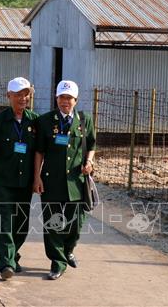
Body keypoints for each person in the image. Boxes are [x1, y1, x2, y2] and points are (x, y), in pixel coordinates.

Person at [33, 80, 96, 280]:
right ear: (56, 98)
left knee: (76, 223)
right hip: (51, 181)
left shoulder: (85, 120)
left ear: (76, 100)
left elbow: (92, 145)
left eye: (69, 98)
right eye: (61, 97)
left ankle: (68, 249)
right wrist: (37, 177)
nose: (65, 102)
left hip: (76, 182)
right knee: (53, 223)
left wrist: (89, 161)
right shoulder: (45, 121)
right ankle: (57, 262)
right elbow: (39, 152)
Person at [0, 77, 38, 280]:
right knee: (5, 220)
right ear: (9, 96)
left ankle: (13, 254)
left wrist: (37, 179)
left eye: (26, 94)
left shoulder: (34, 120)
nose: (23, 98)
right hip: (2, 180)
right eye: (18, 94)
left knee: (21, 224)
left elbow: (39, 153)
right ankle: (6, 263)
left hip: (25, 181)